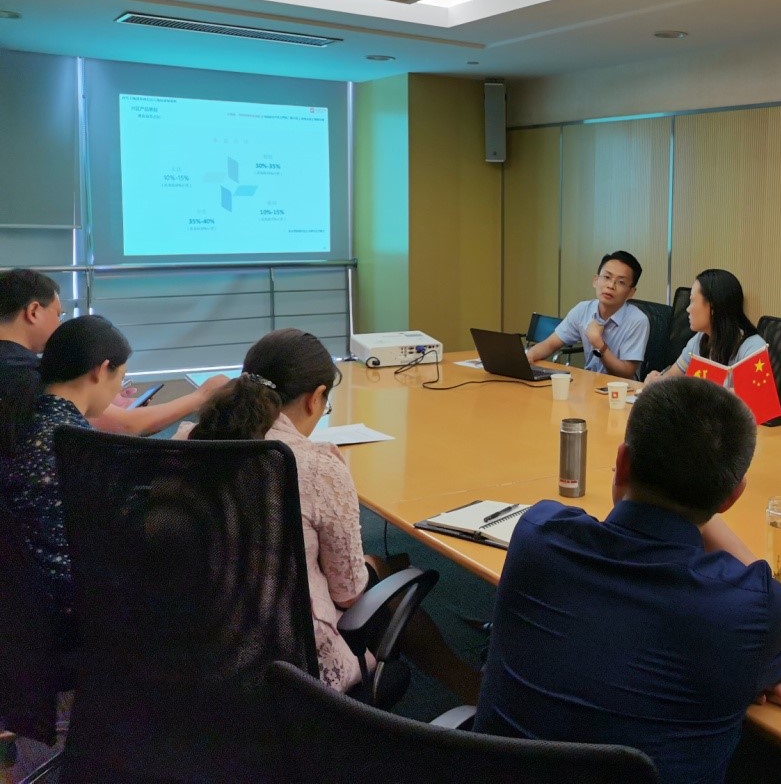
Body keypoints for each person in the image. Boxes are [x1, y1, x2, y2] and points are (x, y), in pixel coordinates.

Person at [474, 376, 781, 784]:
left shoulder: (539, 534)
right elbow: (772, 599)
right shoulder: (752, 609)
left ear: (621, 462)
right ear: (733, 497)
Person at [183, 328, 482, 701]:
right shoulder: (314, 466)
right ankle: (472, 688)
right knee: (381, 578)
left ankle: (470, 685)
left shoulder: (188, 442)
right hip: (288, 658)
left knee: (375, 567)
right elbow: (349, 593)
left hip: (199, 637)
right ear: (316, 398)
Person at [0, 315, 131, 612]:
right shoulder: (77, 445)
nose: (117, 390)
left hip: (28, 602)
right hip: (74, 604)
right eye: (121, 377)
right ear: (101, 370)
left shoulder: (24, 420)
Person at [0, 269, 229, 436]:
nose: (60, 324)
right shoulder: (24, 374)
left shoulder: (16, 365)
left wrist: (96, 396)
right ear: (33, 311)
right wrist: (202, 396)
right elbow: (126, 425)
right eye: (58, 314)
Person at [526, 250, 648, 379]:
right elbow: (550, 344)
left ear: (631, 292)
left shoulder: (638, 320)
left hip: (620, 388)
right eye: (607, 277)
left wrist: (599, 344)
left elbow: (626, 372)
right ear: (595, 280)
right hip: (589, 382)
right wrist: (528, 357)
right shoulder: (583, 310)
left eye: (621, 282)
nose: (611, 286)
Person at [644, 268, 765, 387]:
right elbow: (671, 377)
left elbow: (754, 396)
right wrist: (657, 381)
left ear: (713, 307)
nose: (687, 309)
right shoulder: (700, 339)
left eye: (692, 301)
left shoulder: (753, 348)